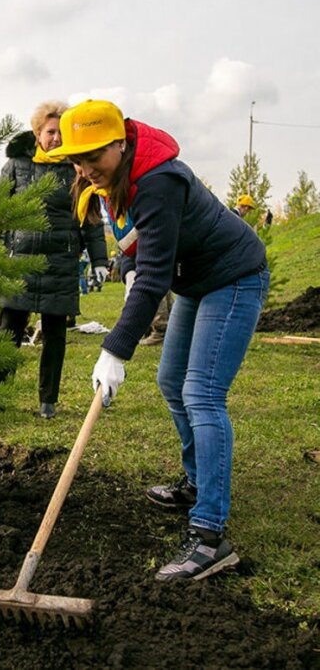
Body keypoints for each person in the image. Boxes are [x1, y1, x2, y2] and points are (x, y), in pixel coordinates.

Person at [51, 99, 268, 581]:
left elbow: (154, 279)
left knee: (202, 393)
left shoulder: (158, 180)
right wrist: (127, 271)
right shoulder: (114, 180)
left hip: (232, 277)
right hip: (195, 282)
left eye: (93, 157)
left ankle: (211, 537)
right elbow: (135, 247)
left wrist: (114, 349)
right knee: (172, 380)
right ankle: (197, 481)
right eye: (77, 160)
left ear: (120, 143)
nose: (85, 169)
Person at [0, 101, 108, 419]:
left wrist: (99, 260)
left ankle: (48, 400)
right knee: (9, 331)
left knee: (55, 334)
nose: (56, 138)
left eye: (61, 132)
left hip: (61, 261)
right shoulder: (17, 165)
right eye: (50, 132)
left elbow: (91, 218)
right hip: (21, 261)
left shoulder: (78, 168)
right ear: (37, 132)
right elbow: (0, 211)